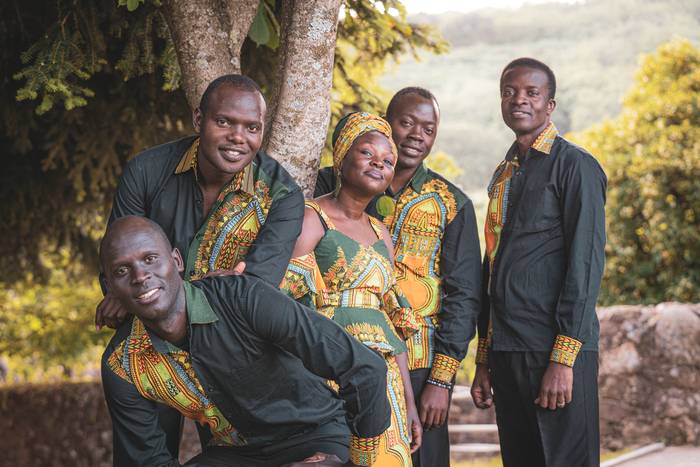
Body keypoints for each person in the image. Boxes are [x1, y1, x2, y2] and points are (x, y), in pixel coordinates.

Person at [100, 216, 391, 467]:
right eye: (122, 271)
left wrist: (353, 464)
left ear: (176, 260)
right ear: (110, 287)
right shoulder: (123, 364)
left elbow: (364, 368)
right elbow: (145, 460)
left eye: (150, 259)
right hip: (233, 454)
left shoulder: (242, 299)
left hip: (313, 437)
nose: (140, 276)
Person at [315, 89, 482, 467]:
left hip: (420, 364)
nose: (416, 134)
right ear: (386, 123)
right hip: (338, 354)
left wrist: (441, 381)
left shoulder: (450, 202)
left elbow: (464, 295)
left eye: (428, 127)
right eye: (406, 123)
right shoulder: (334, 183)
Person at [470, 58, 607, 467]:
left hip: (553, 349)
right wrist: (483, 359)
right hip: (507, 350)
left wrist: (563, 360)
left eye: (532, 93)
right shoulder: (505, 172)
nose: (519, 100)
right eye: (510, 91)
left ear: (550, 104)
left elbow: (585, 265)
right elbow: (492, 266)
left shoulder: (575, 165)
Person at [96, 74, 304, 330]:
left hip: (233, 330)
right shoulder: (146, 171)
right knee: (115, 366)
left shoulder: (282, 195)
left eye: (252, 128)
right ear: (198, 119)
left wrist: (141, 294)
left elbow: (257, 288)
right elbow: (119, 258)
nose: (238, 137)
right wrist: (119, 294)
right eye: (224, 122)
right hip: (154, 324)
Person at [281, 112, 422, 466]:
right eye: (367, 154)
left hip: (383, 375)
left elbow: (393, 323)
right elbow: (284, 300)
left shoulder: (382, 234)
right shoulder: (312, 217)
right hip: (326, 367)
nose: (379, 164)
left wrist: (407, 399)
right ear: (341, 160)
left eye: (388, 161)